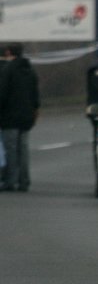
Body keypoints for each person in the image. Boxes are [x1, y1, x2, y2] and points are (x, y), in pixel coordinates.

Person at [0, 43, 40, 192]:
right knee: (23, 149)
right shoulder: (30, 70)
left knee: (10, 149)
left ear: (9, 52)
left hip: (9, 117)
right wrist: (35, 110)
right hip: (27, 116)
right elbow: (35, 94)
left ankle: (10, 181)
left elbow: (2, 93)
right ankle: (24, 181)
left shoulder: (8, 70)